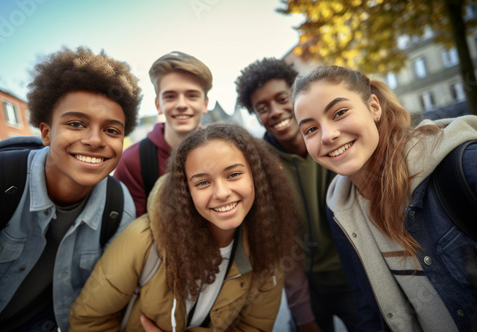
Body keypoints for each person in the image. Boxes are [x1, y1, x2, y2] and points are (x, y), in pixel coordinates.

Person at [292, 65, 477, 331]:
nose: (328, 135)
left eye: (340, 113)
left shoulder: (460, 166)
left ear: (374, 107)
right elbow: (367, 306)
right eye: (310, 129)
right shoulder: (338, 210)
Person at [69, 123, 299, 331]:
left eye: (234, 174)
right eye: (202, 182)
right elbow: (88, 321)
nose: (221, 193)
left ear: (256, 177)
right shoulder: (143, 239)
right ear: (186, 193)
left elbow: (255, 328)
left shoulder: (267, 248)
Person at [0, 46, 141, 332]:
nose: (94, 140)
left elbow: (103, 303)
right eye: (76, 123)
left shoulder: (119, 204)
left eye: (111, 130)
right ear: (46, 132)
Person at [235, 58, 357, 332]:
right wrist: (304, 315)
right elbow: (284, 248)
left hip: (358, 279)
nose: (275, 111)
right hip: (308, 287)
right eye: (262, 108)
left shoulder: (335, 143)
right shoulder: (260, 168)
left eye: (282, 98)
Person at [114, 51, 211, 217]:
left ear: (205, 104)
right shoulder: (133, 161)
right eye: (170, 96)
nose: (181, 104)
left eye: (192, 95)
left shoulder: (226, 153)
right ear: (158, 105)